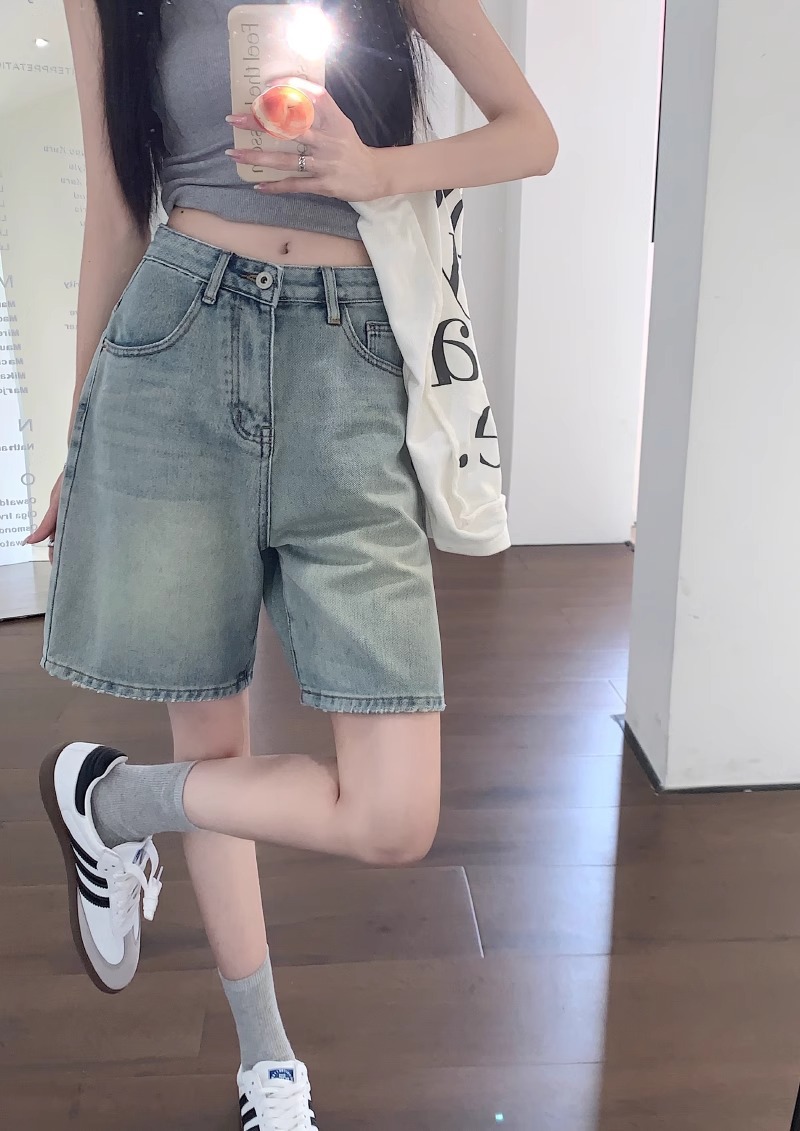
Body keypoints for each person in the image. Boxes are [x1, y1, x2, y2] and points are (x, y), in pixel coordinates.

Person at [28, 1, 558, 1127]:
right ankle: (267, 1065)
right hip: (173, 345)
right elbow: (116, 210)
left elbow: (529, 134)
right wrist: (79, 434)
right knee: (211, 733)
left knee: (393, 816)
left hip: (350, 363)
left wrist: (372, 169)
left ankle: (112, 803)